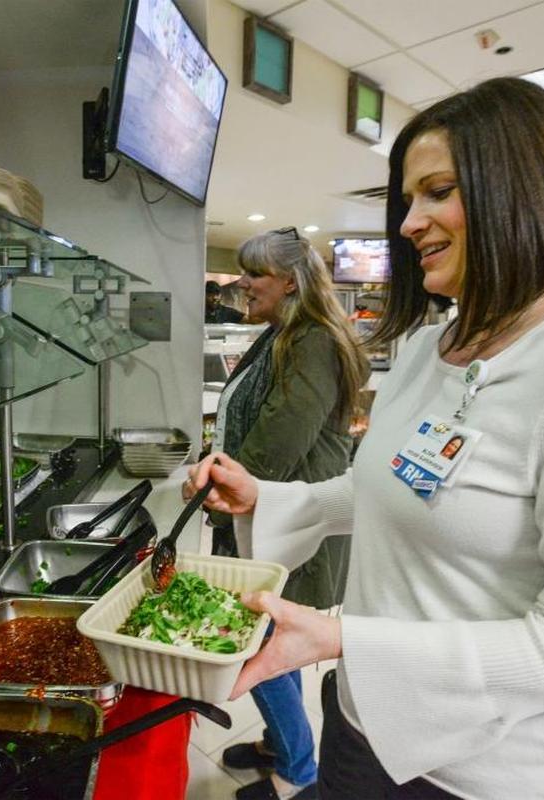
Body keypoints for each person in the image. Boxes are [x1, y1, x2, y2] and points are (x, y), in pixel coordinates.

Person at [184, 77, 544, 800]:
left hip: (483, 773)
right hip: (362, 723)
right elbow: (388, 488)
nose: (407, 222)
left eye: (438, 191)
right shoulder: (431, 348)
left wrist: (346, 637)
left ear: (526, 192)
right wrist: (262, 495)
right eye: (407, 199)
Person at [209, 227, 369, 800]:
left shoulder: (314, 341)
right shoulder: (281, 334)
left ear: (291, 282)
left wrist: (222, 482)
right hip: (265, 514)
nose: (243, 284)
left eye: (255, 275)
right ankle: (284, 745)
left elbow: (280, 441)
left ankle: (298, 770)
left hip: (290, 522)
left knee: (260, 637)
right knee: (277, 634)